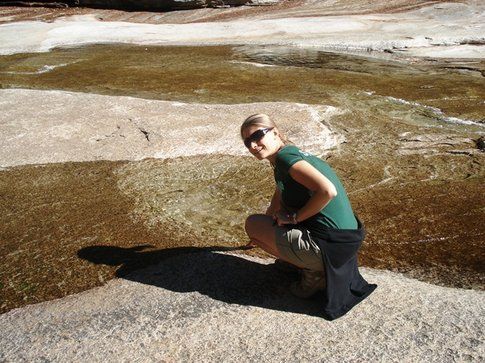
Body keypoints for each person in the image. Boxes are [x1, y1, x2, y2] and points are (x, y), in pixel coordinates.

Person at [241, 113, 376, 320]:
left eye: (258, 135)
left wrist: (294, 218)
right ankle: (306, 263)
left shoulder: (286, 160)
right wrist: (265, 226)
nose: (253, 145)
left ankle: (314, 274)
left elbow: (327, 191)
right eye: (247, 141)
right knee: (260, 229)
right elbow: (280, 193)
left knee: (252, 224)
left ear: (275, 132)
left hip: (329, 248)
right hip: (343, 244)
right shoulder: (288, 155)